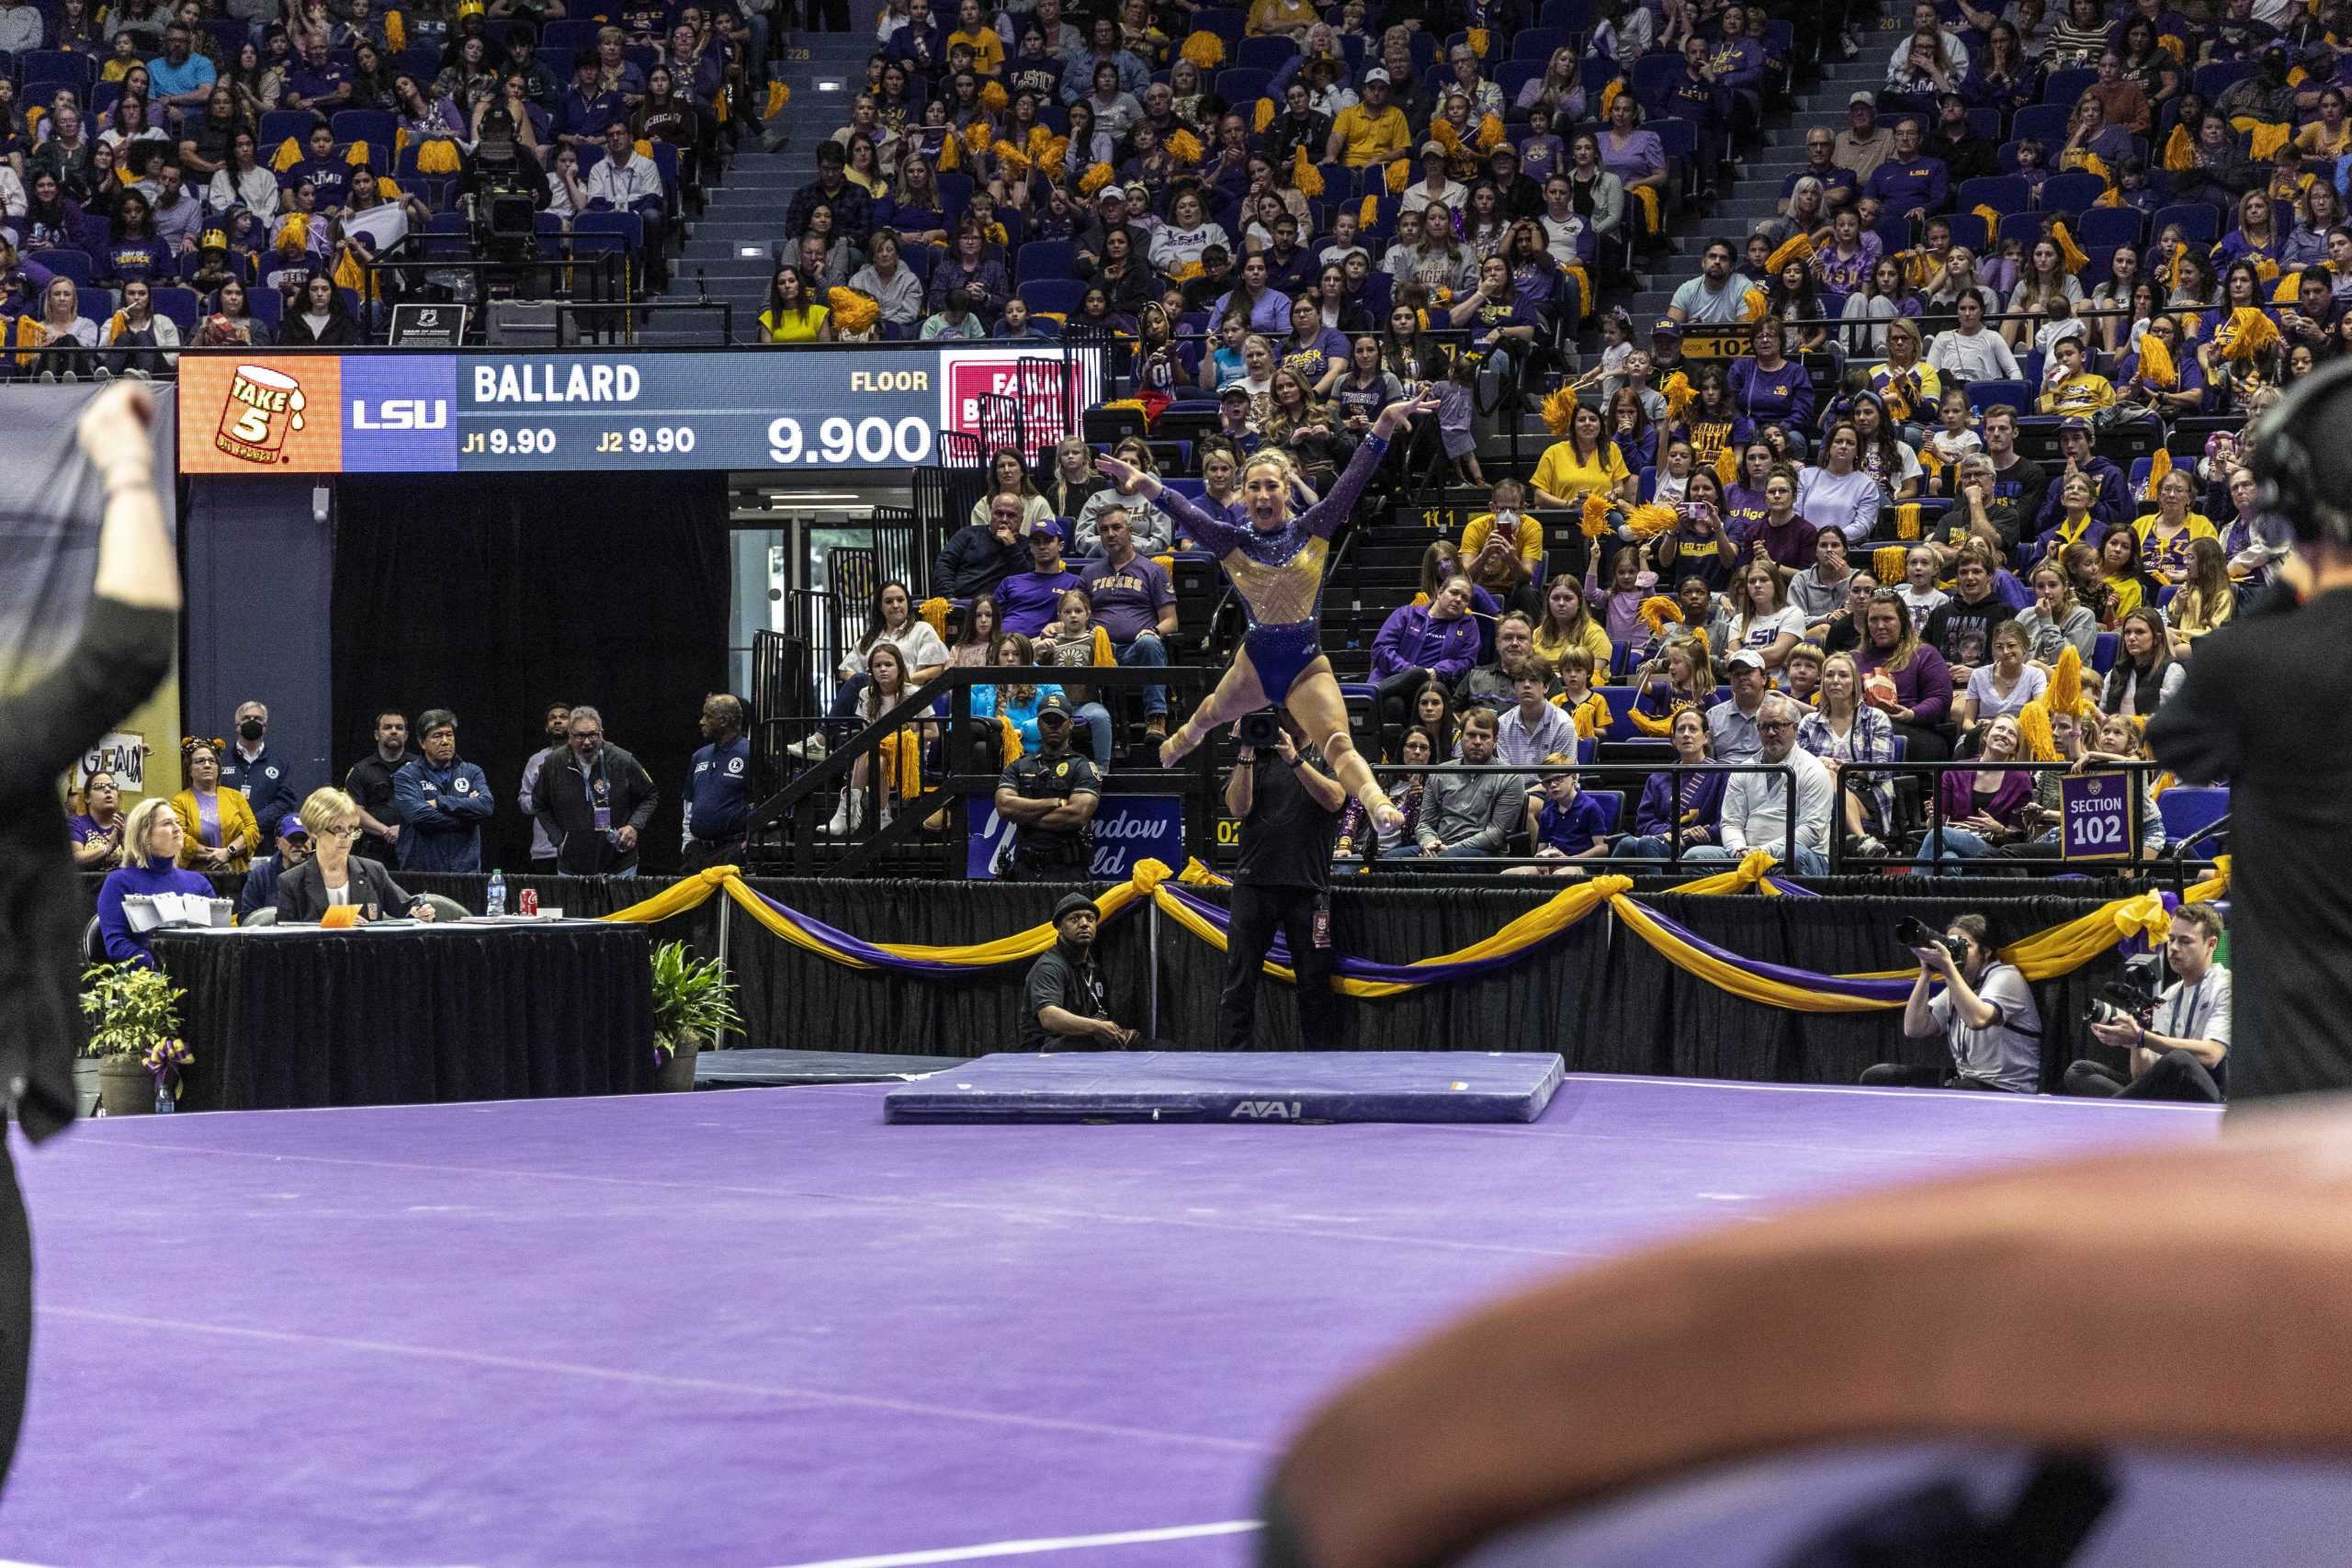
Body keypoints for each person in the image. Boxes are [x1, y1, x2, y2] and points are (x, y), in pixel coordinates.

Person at [1093, 396, 1436, 833]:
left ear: (1286, 490)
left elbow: (1353, 480)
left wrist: (1384, 423)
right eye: (1253, 487)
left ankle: (1376, 802)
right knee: (1214, 710)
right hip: (1256, 662)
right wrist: (1142, 482)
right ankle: (1181, 738)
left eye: (1271, 486)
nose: (1262, 494)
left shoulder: (1316, 526)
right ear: (1242, 495)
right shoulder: (1230, 540)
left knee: (1336, 742)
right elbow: (1183, 508)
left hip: (1305, 665)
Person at [1218, 713, 1344, 1047]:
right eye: (1285, 712)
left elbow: (1335, 799)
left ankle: (1320, 1066)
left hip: (1308, 886)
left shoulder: (1330, 750)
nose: (1290, 719)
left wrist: (1294, 758)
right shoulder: (1257, 755)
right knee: (1239, 982)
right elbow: (1238, 809)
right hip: (1254, 882)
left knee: (1314, 983)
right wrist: (1245, 749)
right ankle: (1231, 1064)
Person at [2064, 902, 2232, 1101]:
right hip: (2169, 1092)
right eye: (2171, 939)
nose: (2174, 948)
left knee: (2179, 1059)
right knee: (2079, 1070)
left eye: (2185, 941)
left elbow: (2212, 1055)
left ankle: (2115, 1110)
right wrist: (2135, 1040)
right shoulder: (2168, 996)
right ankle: (2129, 1110)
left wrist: (2143, 1037)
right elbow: (2141, 1076)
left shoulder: (2226, 985)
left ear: (2211, 944)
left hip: (2210, 1094)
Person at [1863, 915, 2044, 1091]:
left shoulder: (2005, 976)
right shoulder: (1958, 984)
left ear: (1986, 952)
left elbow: (1978, 1020)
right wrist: (1926, 973)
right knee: (1879, 1076)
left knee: (1960, 1087)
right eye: (1951, 943)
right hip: (1967, 1081)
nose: (1955, 951)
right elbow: (1915, 1028)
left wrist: (1947, 968)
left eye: (1964, 944)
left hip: (2006, 1087)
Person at [1686, 693, 1832, 874]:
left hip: (1794, 855)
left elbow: (1811, 830)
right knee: (1694, 857)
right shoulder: (1744, 769)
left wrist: (1763, 852)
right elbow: (1731, 822)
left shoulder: (1813, 769)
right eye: (1765, 727)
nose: (1771, 733)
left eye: (1778, 726)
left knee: (1795, 857)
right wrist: (1738, 851)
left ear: (1795, 728)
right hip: (1746, 855)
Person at [1078, 507, 1178, 740]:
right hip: (1099, 651)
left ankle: (1156, 719)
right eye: (1104, 530)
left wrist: (1154, 631)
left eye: (1116, 527)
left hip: (1137, 650)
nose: (1110, 534)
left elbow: (1171, 621)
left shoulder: (1153, 571)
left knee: (1150, 645)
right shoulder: (1089, 572)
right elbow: (1075, 612)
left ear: (1130, 531)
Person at [275, 786, 437, 922]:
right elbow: (283, 935)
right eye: (338, 829)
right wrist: (338, 921)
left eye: (351, 829)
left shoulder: (373, 871)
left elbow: (406, 907)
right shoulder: (291, 881)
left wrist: (420, 911)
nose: (346, 838)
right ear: (315, 831)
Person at [531, 705, 659, 876]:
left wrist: (634, 826)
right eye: (580, 736)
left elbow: (650, 795)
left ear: (601, 733)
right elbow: (539, 804)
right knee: (574, 905)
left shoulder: (622, 760)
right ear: (570, 736)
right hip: (572, 865)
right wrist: (558, 839)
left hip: (619, 862)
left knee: (623, 905)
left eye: (592, 734)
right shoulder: (554, 763)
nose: (587, 742)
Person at [991, 692, 1102, 880]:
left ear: (1071, 723)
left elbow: (1077, 814)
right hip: (1023, 868)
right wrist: (1055, 802)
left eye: (1059, 720)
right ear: (1038, 724)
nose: (1053, 725)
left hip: (1066, 871)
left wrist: (1024, 817)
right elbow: (1004, 806)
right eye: (1047, 720)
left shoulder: (1083, 766)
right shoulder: (1019, 765)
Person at [96, 798, 216, 964]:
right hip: (147, 981)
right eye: (167, 823)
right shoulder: (119, 882)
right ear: (144, 835)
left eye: (177, 822)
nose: (177, 829)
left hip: (198, 978)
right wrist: (158, 968)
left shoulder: (199, 882)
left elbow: (218, 940)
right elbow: (116, 945)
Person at [1022, 892, 1136, 1049]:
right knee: (1094, 1042)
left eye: (1090, 919)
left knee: (1141, 1042)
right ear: (1060, 928)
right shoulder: (1049, 967)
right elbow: (1049, 1018)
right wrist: (1097, 1027)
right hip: (1043, 1050)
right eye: (1074, 919)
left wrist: (1118, 1033)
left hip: (1081, 1043)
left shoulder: (1094, 969)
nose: (1084, 924)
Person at [391, 708, 492, 872]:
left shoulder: (472, 772)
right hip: (421, 871)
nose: (445, 741)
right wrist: (469, 817)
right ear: (422, 743)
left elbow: (486, 807)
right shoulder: (406, 775)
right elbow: (419, 816)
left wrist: (439, 802)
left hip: (465, 871)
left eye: (449, 735)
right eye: (437, 736)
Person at [1414, 708, 1520, 861]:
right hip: (1439, 847)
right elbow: (1424, 824)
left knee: (1442, 862)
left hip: (1483, 854)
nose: (1477, 742)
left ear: (1495, 740)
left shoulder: (1509, 777)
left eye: (1484, 737)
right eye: (1471, 735)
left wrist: (1448, 851)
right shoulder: (1440, 772)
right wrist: (1429, 844)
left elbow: (1496, 834)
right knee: (1390, 859)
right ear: (1460, 737)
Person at [681, 694, 752, 873]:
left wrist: (753, 840)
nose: (701, 722)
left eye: (708, 716)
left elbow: (768, 801)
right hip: (698, 853)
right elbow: (689, 804)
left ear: (724, 721)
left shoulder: (750, 753)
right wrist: (687, 844)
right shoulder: (699, 756)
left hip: (732, 851)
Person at [172, 737, 261, 874]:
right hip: (197, 874)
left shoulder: (236, 797)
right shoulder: (180, 801)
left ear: (218, 768)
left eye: (212, 761)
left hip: (235, 874)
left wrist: (228, 852)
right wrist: (213, 855)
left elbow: (252, 830)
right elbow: (179, 836)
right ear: (189, 769)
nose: (207, 765)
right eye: (200, 761)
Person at [342, 708, 413, 866]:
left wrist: (404, 830)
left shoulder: (421, 768)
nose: (394, 731)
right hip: (373, 852)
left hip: (412, 850)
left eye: (399, 728)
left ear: (406, 735)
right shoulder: (360, 770)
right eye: (387, 727)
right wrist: (386, 831)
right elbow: (353, 811)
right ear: (376, 735)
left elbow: (431, 806)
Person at [219, 696, 300, 829]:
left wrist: (253, 824)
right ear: (237, 727)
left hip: (265, 839)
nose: (252, 721)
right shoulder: (220, 760)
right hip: (228, 835)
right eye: (246, 718)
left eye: (257, 719)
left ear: (265, 727)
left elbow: (285, 802)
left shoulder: (280, 762)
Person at [932, 493, 1029, 600]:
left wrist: (1012, 547)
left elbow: (1028, 581)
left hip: (999, 608)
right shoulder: (967, 534)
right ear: (991, 514)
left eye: (1011, 515)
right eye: (999, 514)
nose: (1004, 519)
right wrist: (949, 597)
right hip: (961, 601)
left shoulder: (1027, 546)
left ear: (1021, 520)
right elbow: (944, 565)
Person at [519, 703, 571, 874]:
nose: (557, 721)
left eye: (563, 717)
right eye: (552, 718)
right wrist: (544, 799)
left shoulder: (584, 756)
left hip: (578, 848)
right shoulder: (536, 760)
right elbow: (524, 801)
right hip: (545, 849)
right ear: (546, 727)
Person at [235, 814, 312, 920]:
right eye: (292, 838)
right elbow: (247, 919)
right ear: (278, 842)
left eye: (303, 838)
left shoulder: (321, 873)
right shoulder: (260, 876)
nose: (298, 844)